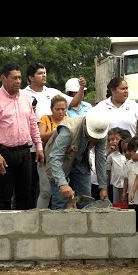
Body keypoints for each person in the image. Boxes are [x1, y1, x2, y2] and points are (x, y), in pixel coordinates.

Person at [23, 62, 86, 208]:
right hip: (35, 150)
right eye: (40, 73)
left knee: (54, 190)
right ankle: (37, 219)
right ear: (31, 77)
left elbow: (75, 102)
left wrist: (81, 88)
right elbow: (40, 134)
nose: (44, 75)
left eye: (45, 72)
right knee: (36, 189)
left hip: (60, 156)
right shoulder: (23, 95)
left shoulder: (52, 92)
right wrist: (61, 131)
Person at [0, 62, 44, 210]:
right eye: (14, 78)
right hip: (4, 152)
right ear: (3, 78)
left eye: (19, 78)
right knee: (5, 195)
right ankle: (5, 231)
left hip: (25, 151)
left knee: (26, 194)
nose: (18, 81)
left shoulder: (25, 97)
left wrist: (39, 146)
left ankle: (23, 230)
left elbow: (32, 124)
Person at [46, 110, 110, 210]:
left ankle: (83, 225)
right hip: (60, 162)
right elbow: (55, 158)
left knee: (86, 200)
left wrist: (103, 187)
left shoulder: (101, 131)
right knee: (61, 202)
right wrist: (62, 184)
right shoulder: (68, 131)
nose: (94, 138)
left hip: (80, 161)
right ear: (85, 124)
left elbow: (100, 159)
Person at [37, 95, 69, 208]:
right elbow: (41, 136)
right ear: (51, 109)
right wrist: (59, 130)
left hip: (64, 161)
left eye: (63, 109)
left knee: (62, 190)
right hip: (46, 160)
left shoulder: (68, 120)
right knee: (45, 192)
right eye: (57, 109)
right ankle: (39, 216)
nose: (61, 112)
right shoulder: (45, 119)